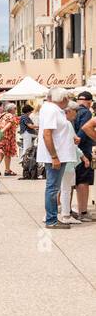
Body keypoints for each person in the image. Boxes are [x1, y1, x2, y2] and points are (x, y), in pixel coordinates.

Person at [40, 86, 78, 229]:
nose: (68, 100)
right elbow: (47, 134)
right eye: (67, 98)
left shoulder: (53, 109)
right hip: (56, 156)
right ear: (62, 99)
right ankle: (51, 220)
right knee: (53, 188)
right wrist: (54, 156)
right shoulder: (51, 110)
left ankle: (52, 218)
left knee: (53, 187)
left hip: (59, 155)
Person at [71, 91, 95, 221]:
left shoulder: (70, 110)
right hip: (83, 150)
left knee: (69, 182)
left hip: (70, 150)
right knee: (83, 181)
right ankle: (83, 212)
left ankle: (65, 210)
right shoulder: (86, 112)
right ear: (89, 102)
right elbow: (84, 130)